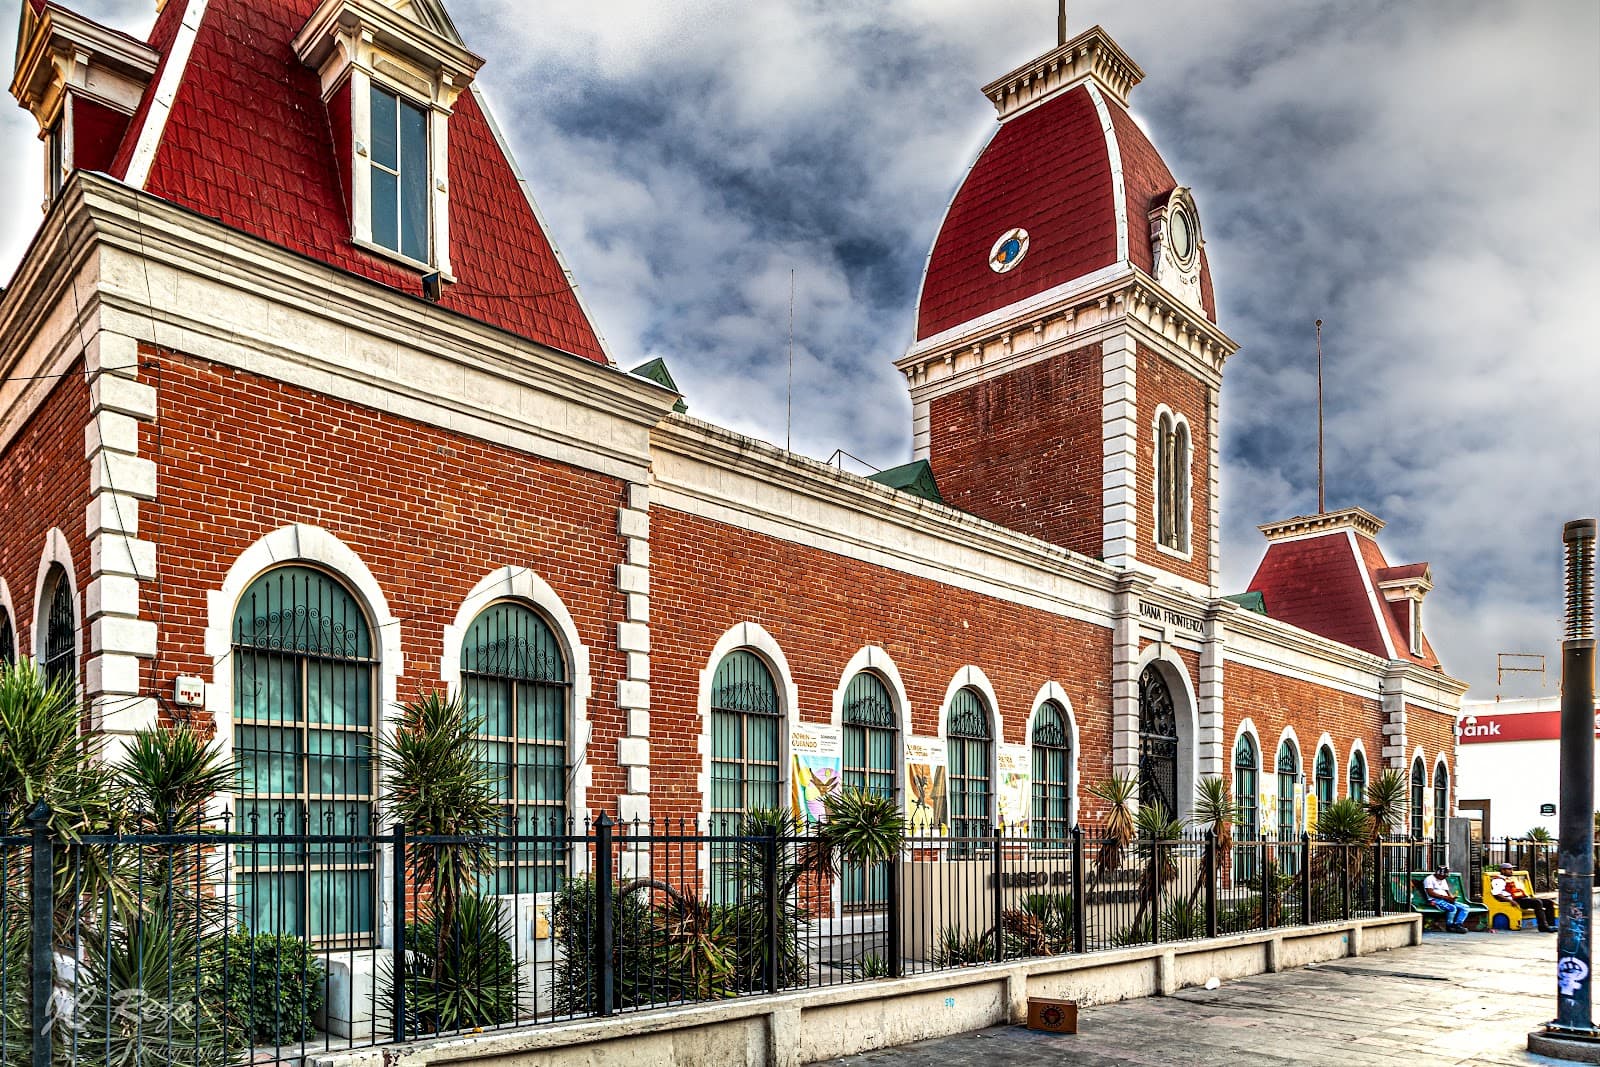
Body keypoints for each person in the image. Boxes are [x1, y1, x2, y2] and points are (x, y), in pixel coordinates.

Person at [1490, 863, 1556, 932]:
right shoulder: (1498, 880)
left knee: (1549, 902)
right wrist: (1511, 901)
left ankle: (1551, 925)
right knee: (1537, 903)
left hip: (1522, 898)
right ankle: (1543, 927)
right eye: (1509, 869)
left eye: (1512, 869)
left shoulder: (1509, 878)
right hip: (1515, 900)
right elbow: (1497, 894)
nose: (1512, 871)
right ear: (1503, 870)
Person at [1422, 864, 1471, 933]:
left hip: (1446, 899)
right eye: (1442, 876)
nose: (1443, 877)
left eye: (1445, 876)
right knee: (1452, 908)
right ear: (1438, 873)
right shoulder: (1429, 879)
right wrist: (1446, 898)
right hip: (1435, 900)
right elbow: (1430, 893)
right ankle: (1449, 925)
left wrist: (1451, 898)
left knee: (1465, 907)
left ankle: (1458, 924)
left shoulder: (1443, 880)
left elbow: (1447, 891)